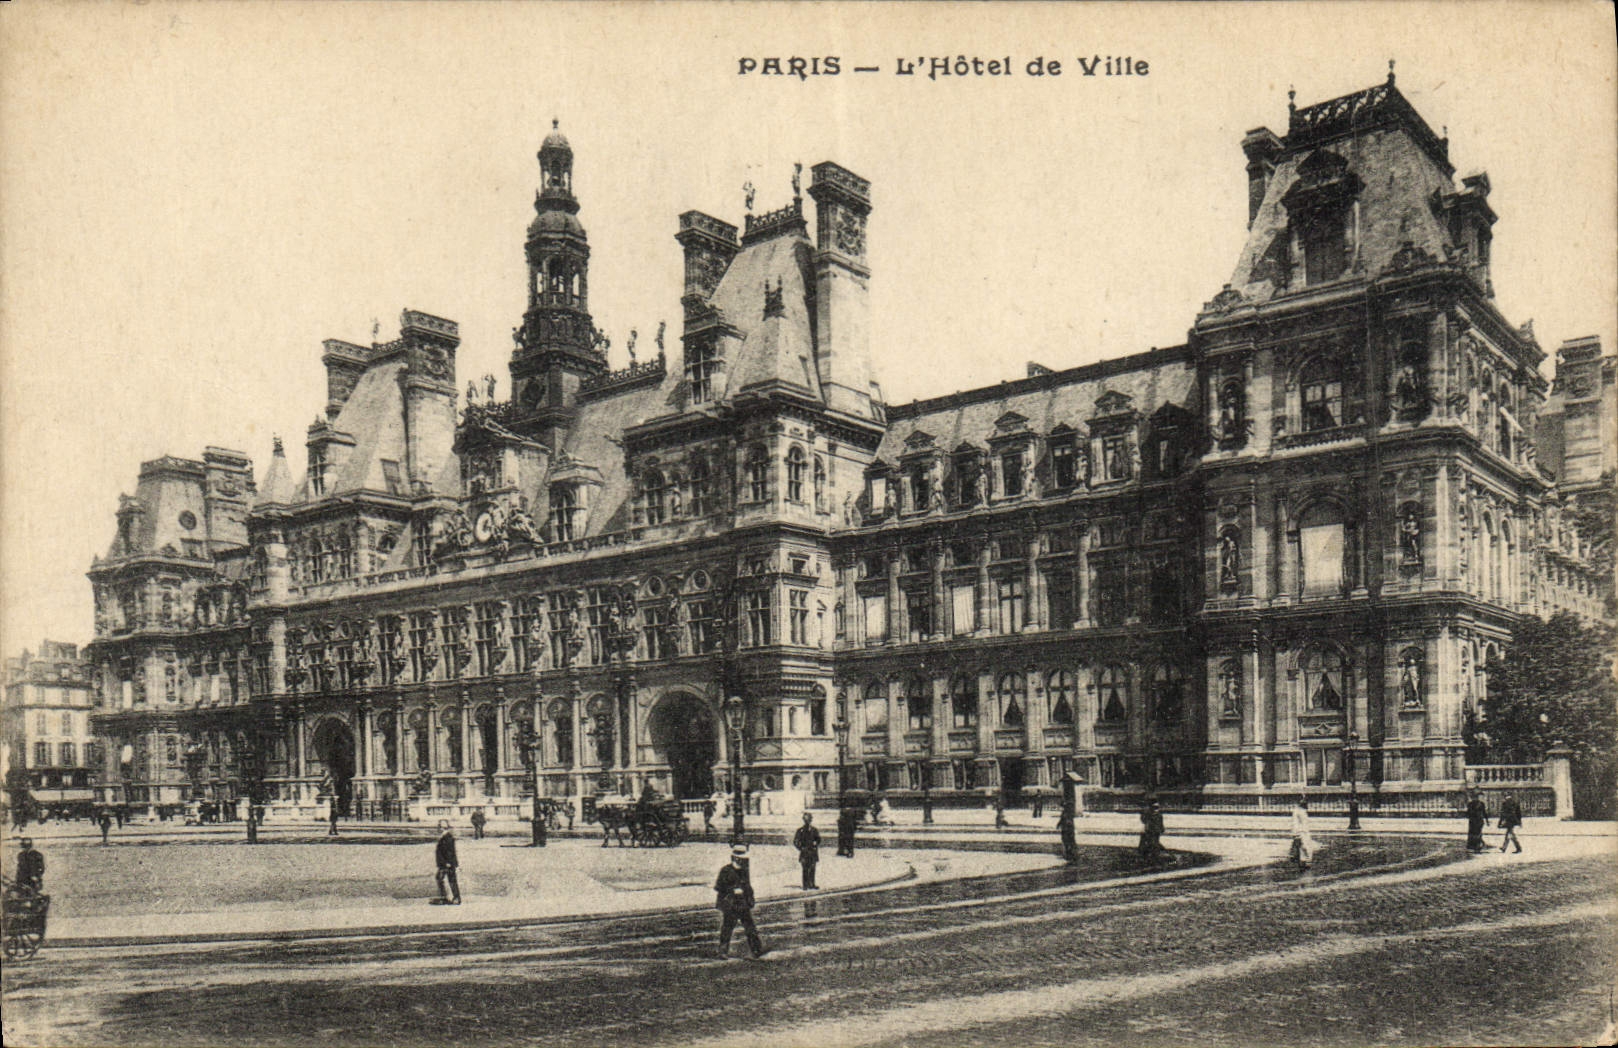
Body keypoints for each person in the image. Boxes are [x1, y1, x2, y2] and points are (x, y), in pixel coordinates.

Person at [714, 845, 766, 959]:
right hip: (730, 904)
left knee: (750, 927)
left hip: (742, 903)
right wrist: (732, 890)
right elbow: (718, 887)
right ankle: (723, 951)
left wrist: (750, 898)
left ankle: (756, 950)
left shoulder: (744, 871)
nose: (744, 861)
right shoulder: (726, 870)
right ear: (735, 858)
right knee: (727, 927)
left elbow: (747, 886)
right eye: (742, 859)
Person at [434, 820, 461, 904]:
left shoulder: (448, 837)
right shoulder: (444, 837)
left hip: (447, 863)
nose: (441, 829)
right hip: (444, 863)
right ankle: (448, 897)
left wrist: (448, 863)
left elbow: (450, 851)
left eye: (443, 827)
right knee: (443, 878)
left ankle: (453, 897)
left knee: (448, 879)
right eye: (440, 827)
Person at [793, 812, 821, 890]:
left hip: (812, 852)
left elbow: (818, 839)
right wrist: (800, 848)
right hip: (804, 852)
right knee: (805, 869)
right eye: (805, 820)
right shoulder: (800, 830)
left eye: (808, 819)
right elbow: (795, 841)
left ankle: (812, 884)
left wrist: (816, 843)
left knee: (812, 868)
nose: (807, 821)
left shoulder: (814, 830)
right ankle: (805, 885)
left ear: (811, 820)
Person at [1290, 798, 1314, 870]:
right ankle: (1304, 862)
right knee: (1304, 847)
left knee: (1305, 846)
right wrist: (1296, 832)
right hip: (1301, 831)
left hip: (1305, 831)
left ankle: (1306, 862)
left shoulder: (1302, 811)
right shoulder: (1297, 811)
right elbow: (1295, 823)